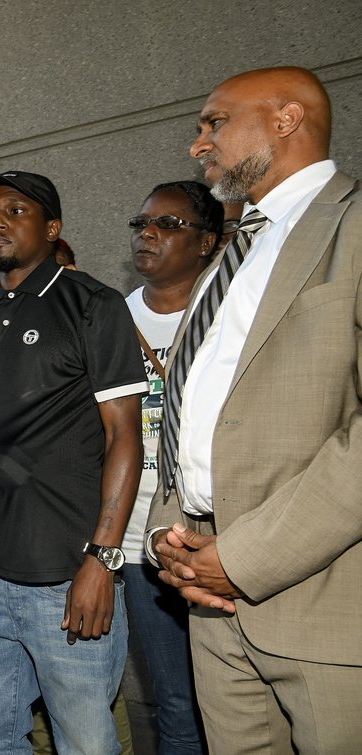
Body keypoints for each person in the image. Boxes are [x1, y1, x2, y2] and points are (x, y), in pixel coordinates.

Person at [147, 66, 362, 753]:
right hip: (208, 599)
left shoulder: (353, 227)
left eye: (214, 122)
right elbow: (186, 401)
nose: (197, 143)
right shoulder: (231, 254)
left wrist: (242, 557)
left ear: (285, 119)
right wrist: (169, 534)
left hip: (324, 599)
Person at [0, 171, 146, 754]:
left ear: (52, 229)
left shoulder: (91, 305)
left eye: (14, 210)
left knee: (86, 742)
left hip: (67, 575)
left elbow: (126, 435)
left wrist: (102, 558)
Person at [121, 181, 221, 754]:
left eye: (168, 224)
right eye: (140, 224)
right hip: (142, 544)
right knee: (175, 703)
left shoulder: (232, 314)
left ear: (208, 241)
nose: (149, 233)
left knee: (236, 701)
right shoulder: (109, 317)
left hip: (219, 541)